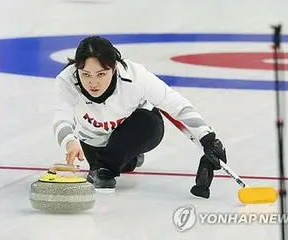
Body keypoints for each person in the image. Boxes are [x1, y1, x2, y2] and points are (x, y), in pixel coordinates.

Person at [53, 36, 227, 197]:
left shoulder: (135, 77)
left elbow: (177, 105)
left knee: (137, 132)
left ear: (114, 69)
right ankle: (126, 159)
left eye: (101, 74)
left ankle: (108, 164)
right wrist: (70, 141)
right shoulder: (67, 81)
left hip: (138, 127)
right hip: (93, 138)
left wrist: (207, 138)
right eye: (85, 74)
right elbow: (61, 117)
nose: (93, 82)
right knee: (118, 162)